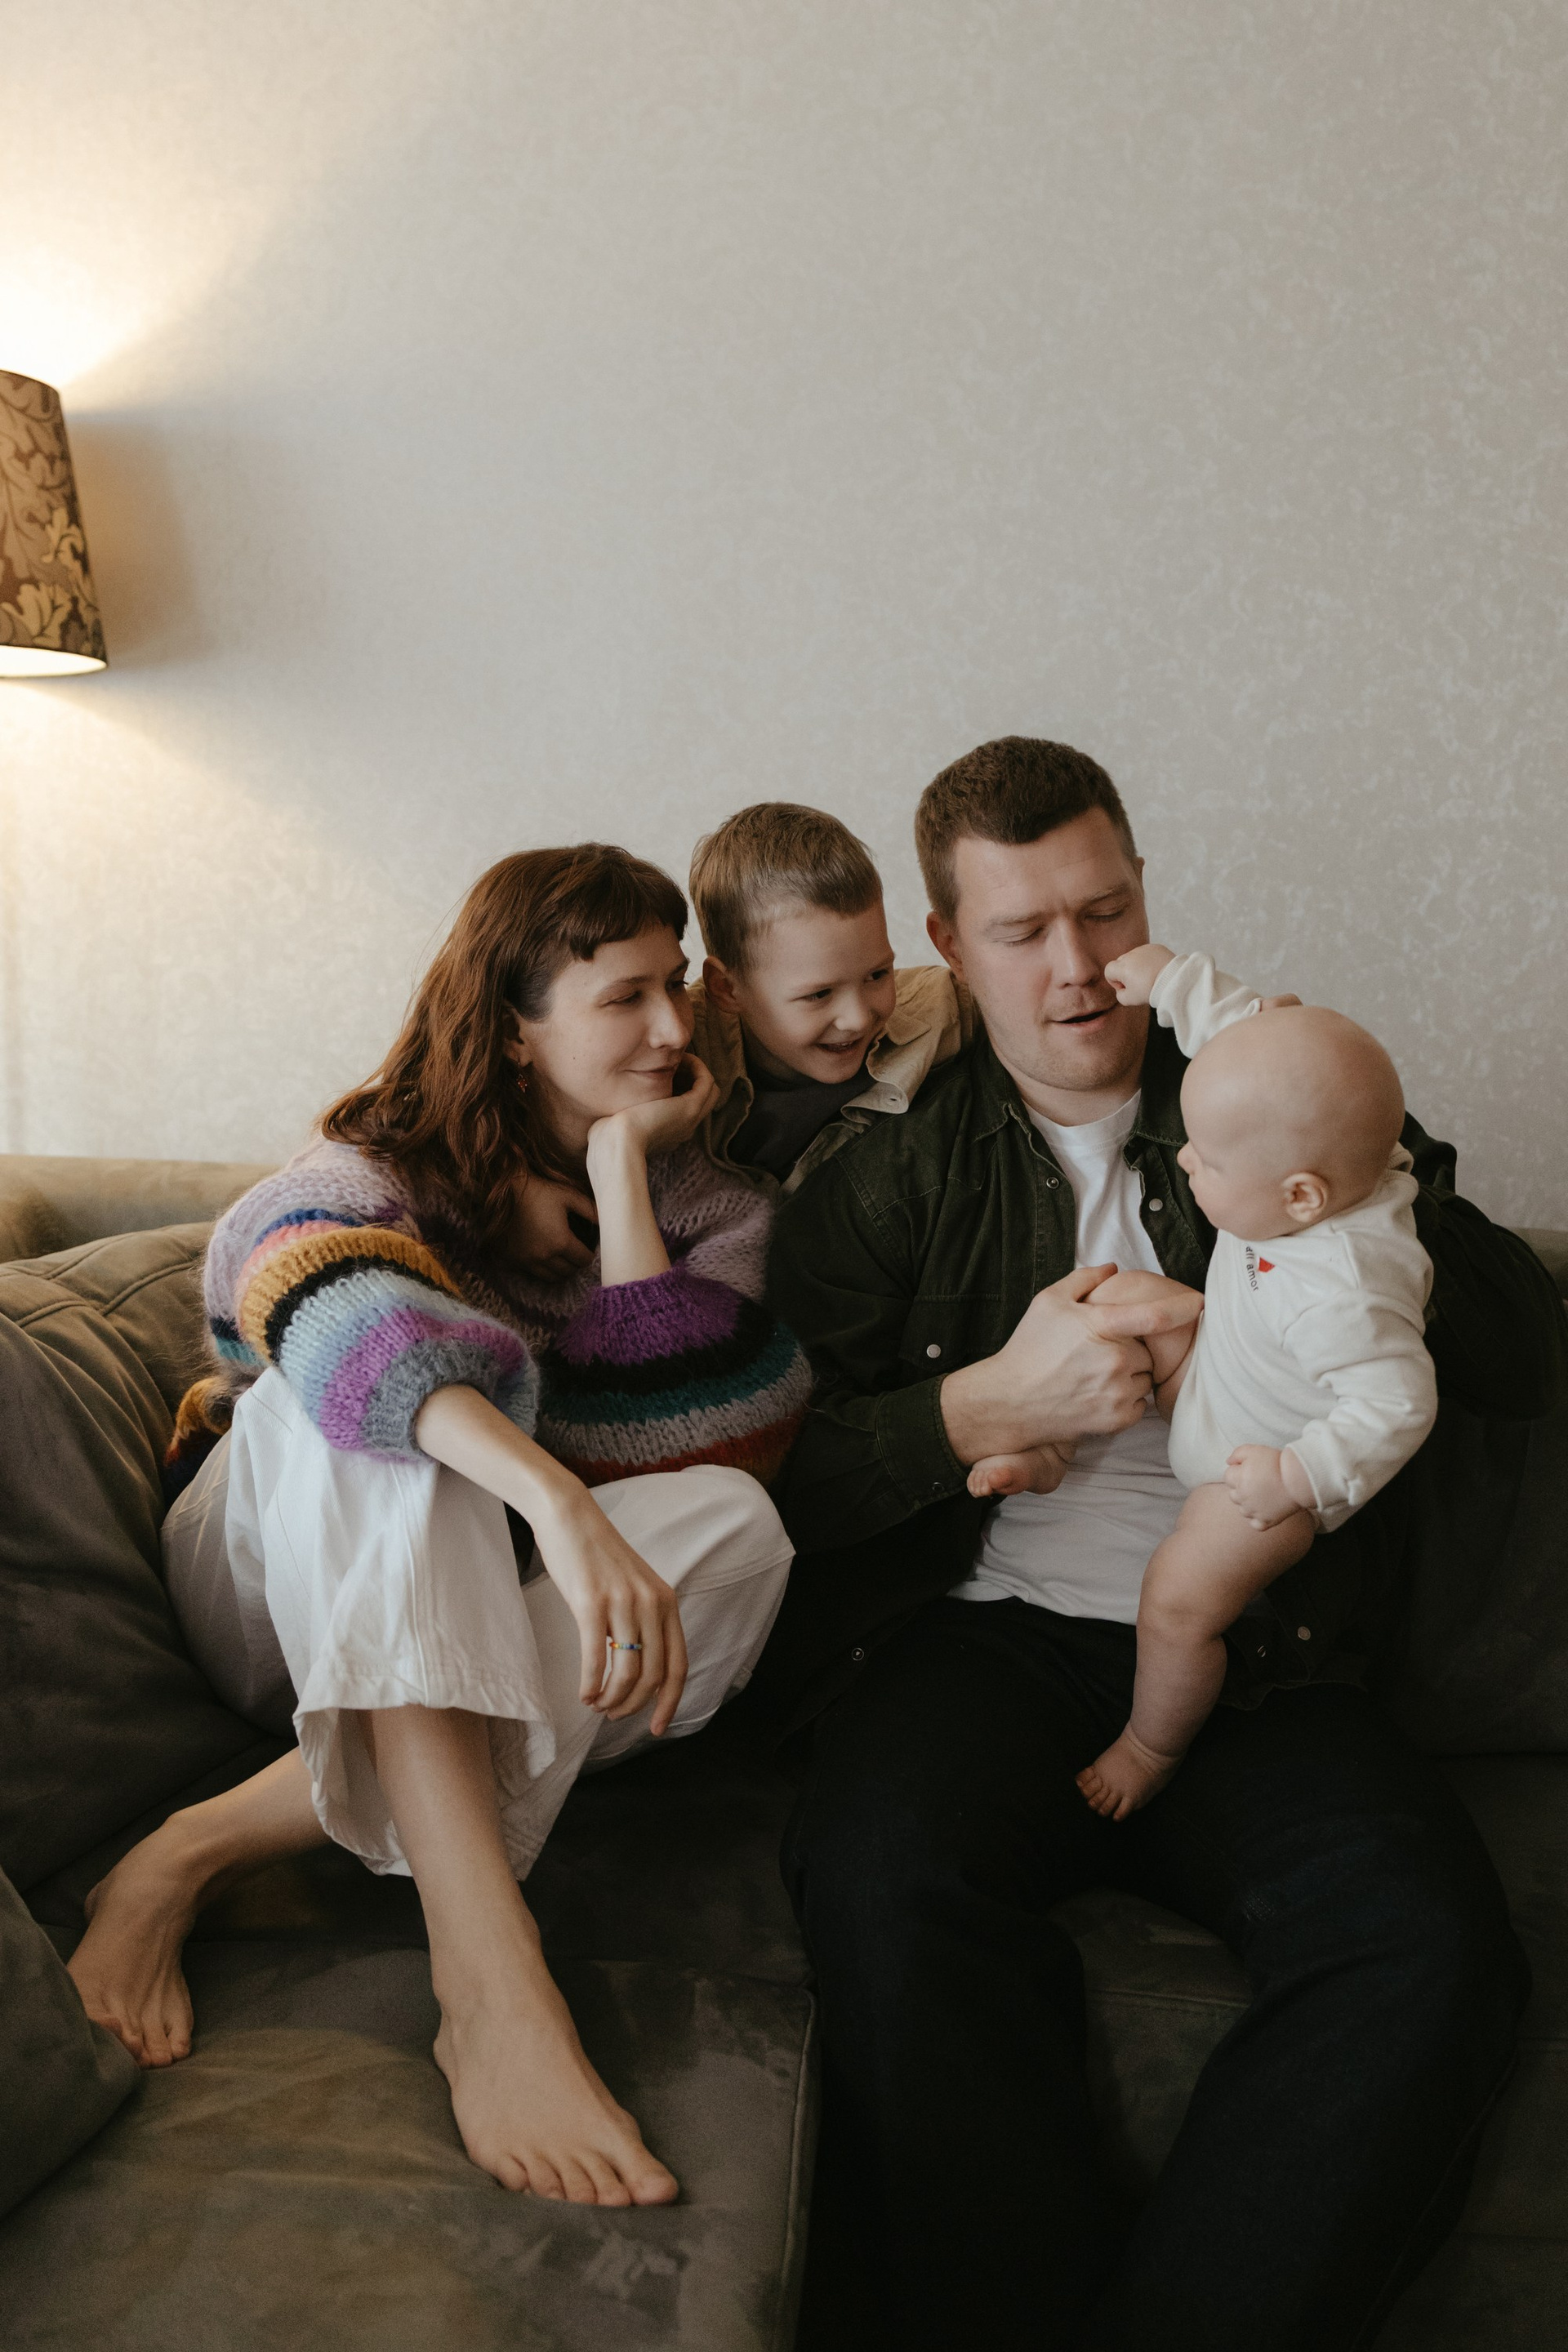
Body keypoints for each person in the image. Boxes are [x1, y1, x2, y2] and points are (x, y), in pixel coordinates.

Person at [761, 737, 1566, 2350]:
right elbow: (783, 1493)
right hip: (986, 1640)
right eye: (1021, 931)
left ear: (1145, 897)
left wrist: (1364, 1182)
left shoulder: (1280, 1095)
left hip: (1267, 1655)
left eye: (1105, 912)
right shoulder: (884, 1173)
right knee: (880, 1885)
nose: (1076, 965)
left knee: (1432, 1952)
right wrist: (975, 1408)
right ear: (947, 946)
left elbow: (1521, 1356)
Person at [66, 844, 813, 2210]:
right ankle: (490, 1983)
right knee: (375, 1402)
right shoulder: (378, 1159)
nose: (671, 1028)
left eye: (678, 986)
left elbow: (695, 1443)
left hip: (474, 1630)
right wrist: (554, 1495)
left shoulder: (716, 1206)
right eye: (624, 997)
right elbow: (313, 1296)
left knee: (738, 1527)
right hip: (271, 1592)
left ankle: (195, 1846)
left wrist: (622, 1181)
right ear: (516, 1028)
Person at [972, 943, 1440, 1822]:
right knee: (1120, 1300)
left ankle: (1153, 1745)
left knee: (1178, 1600)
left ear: (1301, 1199)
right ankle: (1049, 1450)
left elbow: (1400, 1402)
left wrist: (1297, 1475)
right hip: (1215, 1375)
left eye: (1210, 1162)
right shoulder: (1300, 1152)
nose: (1186, 1161)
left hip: (1254, 1480)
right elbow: (1242, 1034)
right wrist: (1171, 984)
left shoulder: (1346, 1293)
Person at [686, 801, 965, 1192]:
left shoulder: (939, 1009)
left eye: (878, 974)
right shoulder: (676, 1053)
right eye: (818, 994)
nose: (858, 1018)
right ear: (727, 988)